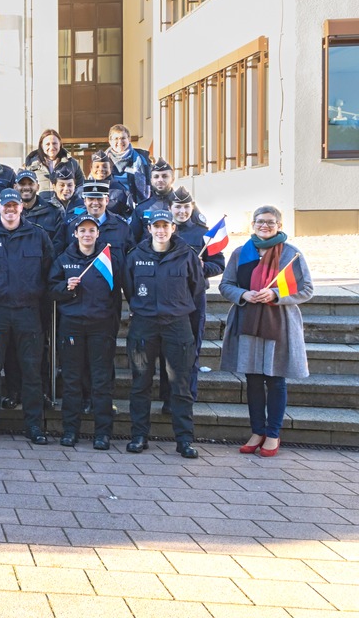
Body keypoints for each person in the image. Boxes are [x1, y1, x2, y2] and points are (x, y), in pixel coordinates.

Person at [219, 206, 313, 458]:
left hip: (278, 323)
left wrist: (275, 294)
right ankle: (257, 431)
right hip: (248, 320)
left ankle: (273, 433)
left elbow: (306, 290)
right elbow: (225, 285)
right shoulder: (241, 253)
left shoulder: (291, 255)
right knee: (252, 379)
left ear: (279, 225)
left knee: (275, 378)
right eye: (260, 222)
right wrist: (243, 294)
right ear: (253, 224)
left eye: (271, 223)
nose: (265, 226)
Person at [0, 189, 54, 445]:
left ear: (21, 207)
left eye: (15, 205)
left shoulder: (38, 235)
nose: (11, 209)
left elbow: (49, 273)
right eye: (6, 205)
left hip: (29, 312)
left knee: (31, 372)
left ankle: (34, 427)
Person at [123, 209, 205, 459]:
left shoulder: (187, 255)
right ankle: (139, 436)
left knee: (180, 385)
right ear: (148, 229)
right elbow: (129, 289)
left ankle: (184, 440)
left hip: (177, 325)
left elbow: (196, 288)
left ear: (173, 228)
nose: (160, 230)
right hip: (144, 326)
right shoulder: (135, 256)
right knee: (140, 383)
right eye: (155, 226)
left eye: (165, 226)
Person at [49, 215, 124, 449]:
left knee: (101, 382)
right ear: (75, 234)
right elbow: (51, 289)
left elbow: (117, 294)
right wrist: (65, 287)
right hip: (71, 326)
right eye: (82, 231)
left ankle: (103, 434)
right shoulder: (63, 259)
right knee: (72, 381)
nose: (87, 235)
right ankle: (70, 431)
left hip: (100, 327)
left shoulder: (109, 260)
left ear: (98, 234)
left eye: (92, 230)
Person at [171, 186, 224, 402]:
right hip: (170, 298)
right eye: (178, 207)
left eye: (186, 207)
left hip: (194, 297)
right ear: (170, 207)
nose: (182, 211)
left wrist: (202, 267)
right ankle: (170, 394)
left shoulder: (204, 234)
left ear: (191, 207)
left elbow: (219, 265)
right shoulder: (164, 230)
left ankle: (188, 393)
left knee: (192, 346)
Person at [130, 158, 176, 243]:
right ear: (151, 180)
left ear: (173, 179)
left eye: (165, 176)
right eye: (156, 177)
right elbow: (132, 239)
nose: (160, 180)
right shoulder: (142, 208)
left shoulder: (182, 206)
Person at [23, 128, 84, 194]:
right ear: (41, 145)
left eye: (54, 143)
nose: (51, 147)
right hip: (40, 203)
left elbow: (81, 185)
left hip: (64, 204)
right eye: (47, 144)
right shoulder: (30, 164)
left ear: (60, 144)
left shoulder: (72, 163)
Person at [106, 124, 152, 207]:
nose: (120, 142)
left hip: (138, 206)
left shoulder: (141, 159)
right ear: (110, 141)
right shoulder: (102, 161)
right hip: (111, 207)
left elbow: (151, 182)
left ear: (129, 139)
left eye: (123, 138)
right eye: (116, 138)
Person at [86, 151, 133, 218]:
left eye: (105, 166)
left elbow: (128, 217)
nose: (101, 169)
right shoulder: (81, 190)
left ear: (110, 168)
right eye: (97, 166)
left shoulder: (121, 191)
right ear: (91, 168)